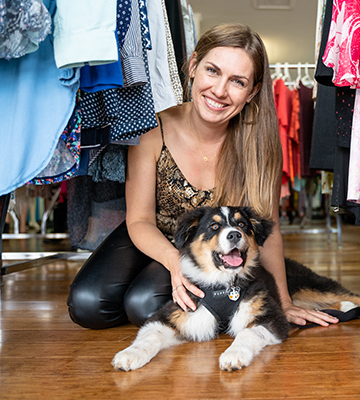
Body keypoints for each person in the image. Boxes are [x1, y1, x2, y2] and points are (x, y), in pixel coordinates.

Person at [67, 23, 338, 329]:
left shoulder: (257, 146)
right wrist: (173, 263)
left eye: (237, 81)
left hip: (211, 247)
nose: (220, 91)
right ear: (193, 66)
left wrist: (284, 302)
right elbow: (139, 220)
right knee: (87, 304)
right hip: (153, 233)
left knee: (143, 305)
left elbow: (268, 229)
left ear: (253, 91)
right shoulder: (153, 128)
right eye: (212, 71)